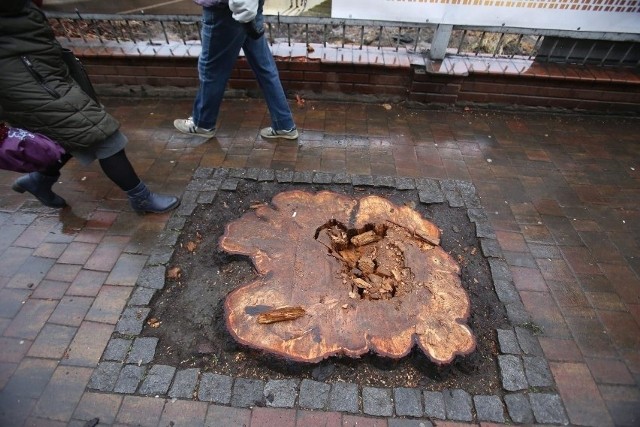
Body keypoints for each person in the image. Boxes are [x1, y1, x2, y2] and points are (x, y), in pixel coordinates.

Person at [0, 0, 180, 214]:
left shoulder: (17, 11)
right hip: (30, 89)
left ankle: (39, 180)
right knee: (104, 136)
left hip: (48, 79)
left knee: (67, 137)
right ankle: (141, 198)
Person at [174, 0, 298, 140]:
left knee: (211, 69)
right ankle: (284, 124)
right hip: (249, 6)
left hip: (228, 9)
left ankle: (202, 123)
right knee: (264, 67)